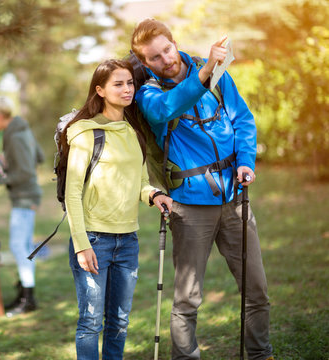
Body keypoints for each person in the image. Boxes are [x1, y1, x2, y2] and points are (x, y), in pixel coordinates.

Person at [131, 19, 274, 360]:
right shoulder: (148, 93)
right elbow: (168, 108)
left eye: (166, 49)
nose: (165, 59)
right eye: (154, 57)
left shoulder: (218, 75)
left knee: (256, 290)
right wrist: (207, 69)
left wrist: (245, 161)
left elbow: (243, 119)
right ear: (145, 63)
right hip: (189, 206)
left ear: (174, 42)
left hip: (234, 197)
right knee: (187, 298)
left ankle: (260, 354)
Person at [63, 59, 173, 360]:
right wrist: (81, 245)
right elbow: (73, 193)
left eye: (129, 83)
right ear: (100, 90)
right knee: (90, 322)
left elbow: (139, 183)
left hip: (128, 241)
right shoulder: (85, 133)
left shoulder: (133, 132)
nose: (127, 89)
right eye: (118, 84)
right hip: (94, 240)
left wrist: (154, 195)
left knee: (120, 322)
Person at [0, 96, 44, 317]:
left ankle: (28, 298)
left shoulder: (13, 135)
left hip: (24, 197)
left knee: (19, 247)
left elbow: (25, 172)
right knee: (24, 246)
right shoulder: (23, 129)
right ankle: (24, 294)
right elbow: (38, 156)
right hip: (29, 195)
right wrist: (8, 161)